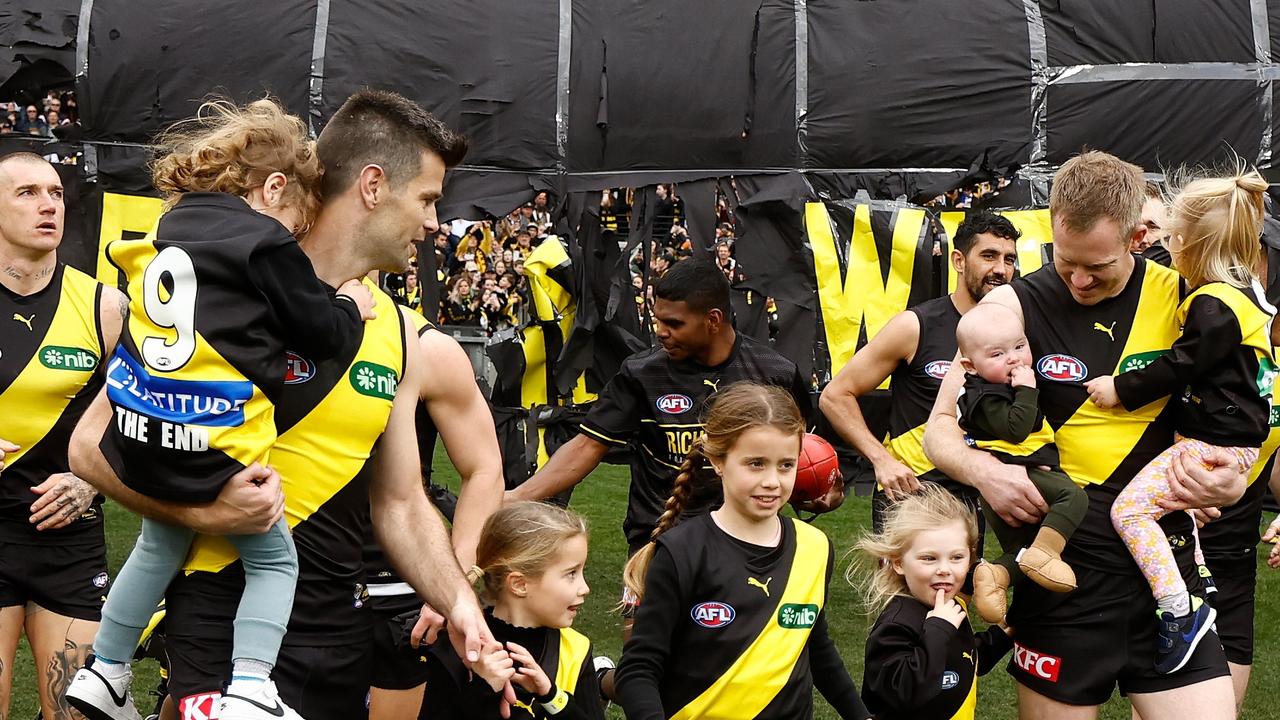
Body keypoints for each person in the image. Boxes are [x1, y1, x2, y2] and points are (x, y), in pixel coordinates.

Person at [68, 89, 505, 720]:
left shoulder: (402, 337)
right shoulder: (216, 293)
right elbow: (89, 447)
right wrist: (208, 515)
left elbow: (402, 502)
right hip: (221, 626)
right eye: (429, 199)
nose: (435, 224)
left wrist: (462, 606)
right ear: (374, 186)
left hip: (338, 629)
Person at [66, 97, 375, 720]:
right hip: (215, 442)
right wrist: (347, 305)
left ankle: (104, 668)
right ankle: (253, 686)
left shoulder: (171, 226)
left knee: (158, 546)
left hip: (142, 433)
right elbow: (320, 333)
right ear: (274, 187)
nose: (295, 230)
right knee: (274, 557)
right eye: (294, 216)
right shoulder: (263, 241)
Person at [923, 150, 1242, 720]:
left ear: (1139, 235)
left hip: (1166, 582)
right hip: (1060, 580)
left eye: (1098, 266)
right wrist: (985, 472)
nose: (1077, 279)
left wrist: (1229, 485)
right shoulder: (1009, 306)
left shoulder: (1190, 301)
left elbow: (1238, 421)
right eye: (1066, 259)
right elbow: (940, 431)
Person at [506, 259, 834, 619]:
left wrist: (820, 491)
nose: (661, 331)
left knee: (734, 655)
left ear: (712, 320)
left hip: (747, 541)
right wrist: (517, 498)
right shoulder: (641, 373)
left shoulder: (776, 374)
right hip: (655, 538)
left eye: (673, 323)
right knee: (641, 659)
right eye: (658, 319)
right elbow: (587, 446)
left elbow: (803, 455)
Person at [1084, 167, 1275, 674]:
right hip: (1222, 445)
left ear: (1190, 243)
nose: (1165, 248)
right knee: (1180, 511)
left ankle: (1176, 609)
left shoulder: (1214, 304)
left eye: (1170, 238)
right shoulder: (1243, 294)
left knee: (1129, 513)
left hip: (1212, 444)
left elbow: (1181, 364)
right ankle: (1196, 588)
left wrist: (1119, 389)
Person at [615, 382, 869, 720]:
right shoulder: (683, 552)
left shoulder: (815, 547)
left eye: (785, 465)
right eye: (755, 464)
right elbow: (639, 669)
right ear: (718, 461)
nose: (772, 481)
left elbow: (816, 647)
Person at [0, 153, 126, 720]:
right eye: (27, 192)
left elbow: (136, 424)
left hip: (69, 540)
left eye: (54, 192)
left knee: (77, 713)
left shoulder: (106, 308)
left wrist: (89, 483)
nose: (48, 203)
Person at [819, 211, 1019, 538]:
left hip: (971, 497)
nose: (1000, 269)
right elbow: (835, 396)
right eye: (988, 256)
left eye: (1009, 259)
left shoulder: (1012, 331)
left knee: (964, 590)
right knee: (905, 592)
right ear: (958, 260)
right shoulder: (916, 325)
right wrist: (881, 460)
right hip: (910, 495)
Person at [363, 310, 504, 720]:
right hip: (291, 576)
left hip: (400, 586)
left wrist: (454, 586)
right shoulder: (273, 320)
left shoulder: (426, 346)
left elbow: (484, 469)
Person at [953, 303, 1087, 623]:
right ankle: (1048, 552)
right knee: (1073, 497)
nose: (1013, 358)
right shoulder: (985, 395)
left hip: (1015, 478)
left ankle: (995, 576)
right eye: (998, 354)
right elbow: (1017, 428)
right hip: (1014, 477)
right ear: (970, 366)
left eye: (1019, 346)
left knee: (1022, 554)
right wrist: (1027, 390)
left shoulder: (995, 384)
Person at [421, 501, 602, 719]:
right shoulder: (460, 644)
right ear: (519, 584)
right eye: (571, 573)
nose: (585, 588)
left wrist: (552, 696)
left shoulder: (575, 651)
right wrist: (483, 689)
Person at [856, 483, 1014, 719]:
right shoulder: (896, 624)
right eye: (929, 558)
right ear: (898, 562)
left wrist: (1002, 636)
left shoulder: (950, 607)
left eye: (957, 557)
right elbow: (908, 692)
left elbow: (962, 659)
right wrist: (939, 628)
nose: (944, 569)